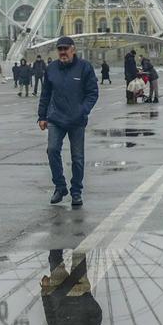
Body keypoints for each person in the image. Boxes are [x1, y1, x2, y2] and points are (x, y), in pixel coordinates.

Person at [38, 36, 99, 207]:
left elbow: (92, 92)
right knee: (52, 150)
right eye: (60, 49)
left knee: (77, 158)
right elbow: (45, 94)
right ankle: (60, 186)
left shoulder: (84, 68)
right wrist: (42, 116)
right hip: (56, 118)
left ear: (73, 50)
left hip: (76, 120)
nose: (63, 52)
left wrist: (83, 110)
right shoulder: (51, 69)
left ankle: (76, 191)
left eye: (66, 49)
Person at [41, 249, 101, 325]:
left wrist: (45, 291)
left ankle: (57, 233)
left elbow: (49, 313)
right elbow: (96, 315)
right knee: (79, 255)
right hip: (79, 290)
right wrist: (85, 298)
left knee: (54, 260)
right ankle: (78, 235)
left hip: (59, 292)